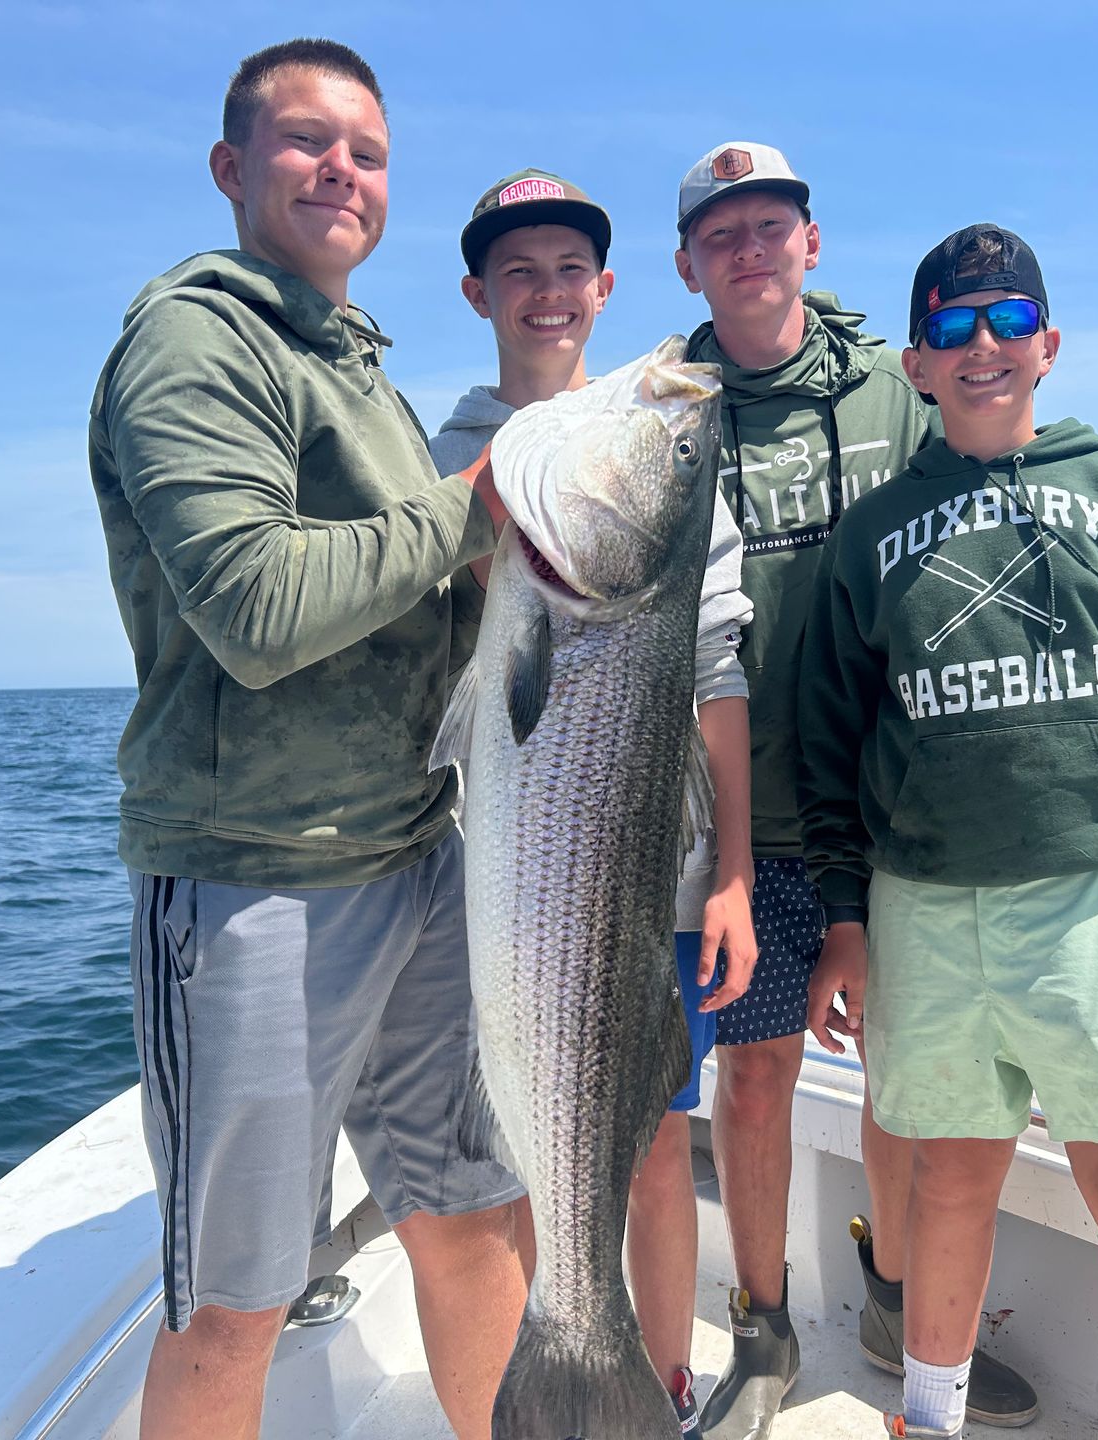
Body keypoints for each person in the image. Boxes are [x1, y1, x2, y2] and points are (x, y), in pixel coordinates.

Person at [86, 39, 527, 1440]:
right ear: (231, 169)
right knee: (237, 1303)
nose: (343, 168)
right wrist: (480, 507)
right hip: (257, 879)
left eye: (370, 151)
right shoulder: (195, 339)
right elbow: (257, 605)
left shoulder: (365, 376)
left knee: (474, 1215)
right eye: (305, 141)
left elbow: (429, 606)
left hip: (417, 858)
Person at [797, 223, 1098, 1440]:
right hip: (924, 912)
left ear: (1050, 345)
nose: (984, 346)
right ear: (918, 365)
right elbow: (832, 751)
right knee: (949, 1178)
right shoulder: (867, 539)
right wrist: (845, 922)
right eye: (953, 328)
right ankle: (928, 1416)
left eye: (1007, 323)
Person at [674, 145, 1039, 1437]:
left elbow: (1002, 491)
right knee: (758, 1080)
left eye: (771, 226)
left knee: (902, 1083)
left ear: (811, 245)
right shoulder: (666, 410)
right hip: (743, 818)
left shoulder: (896, 387)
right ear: (688, 263)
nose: (750, 249)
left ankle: (892, 1302)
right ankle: (762, 1333)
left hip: (892, 818)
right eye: (723, 234)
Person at [427, 167, 760, 1434]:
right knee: (520, 1138)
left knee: (656, 1139)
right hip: (506, 886)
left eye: (572, 269)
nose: (550, 291)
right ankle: (562, 1353)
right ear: (479, 293)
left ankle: (654, 1382)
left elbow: (719, 664)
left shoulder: (653, 459)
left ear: (606, 286)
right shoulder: (444, 451)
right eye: (521, 270)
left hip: (646, 865)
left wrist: (732, 871)